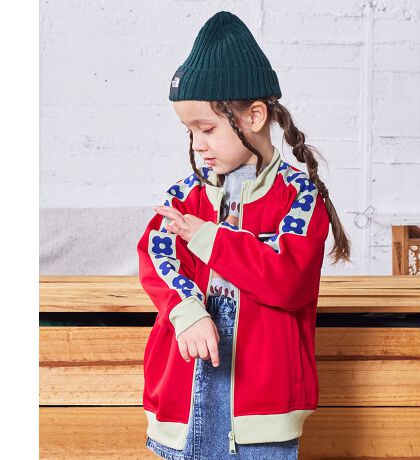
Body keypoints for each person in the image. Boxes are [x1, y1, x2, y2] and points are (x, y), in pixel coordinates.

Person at [137, 10, 351, 460]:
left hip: (263, 408)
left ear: (254, 116)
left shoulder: (299, 196)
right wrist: (187, 311)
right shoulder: (185, 196)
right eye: (189, 131)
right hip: (181, 399)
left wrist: (208, 238)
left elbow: (288, 277)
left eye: (207, 128)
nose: (197, 144)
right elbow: (156, 256)